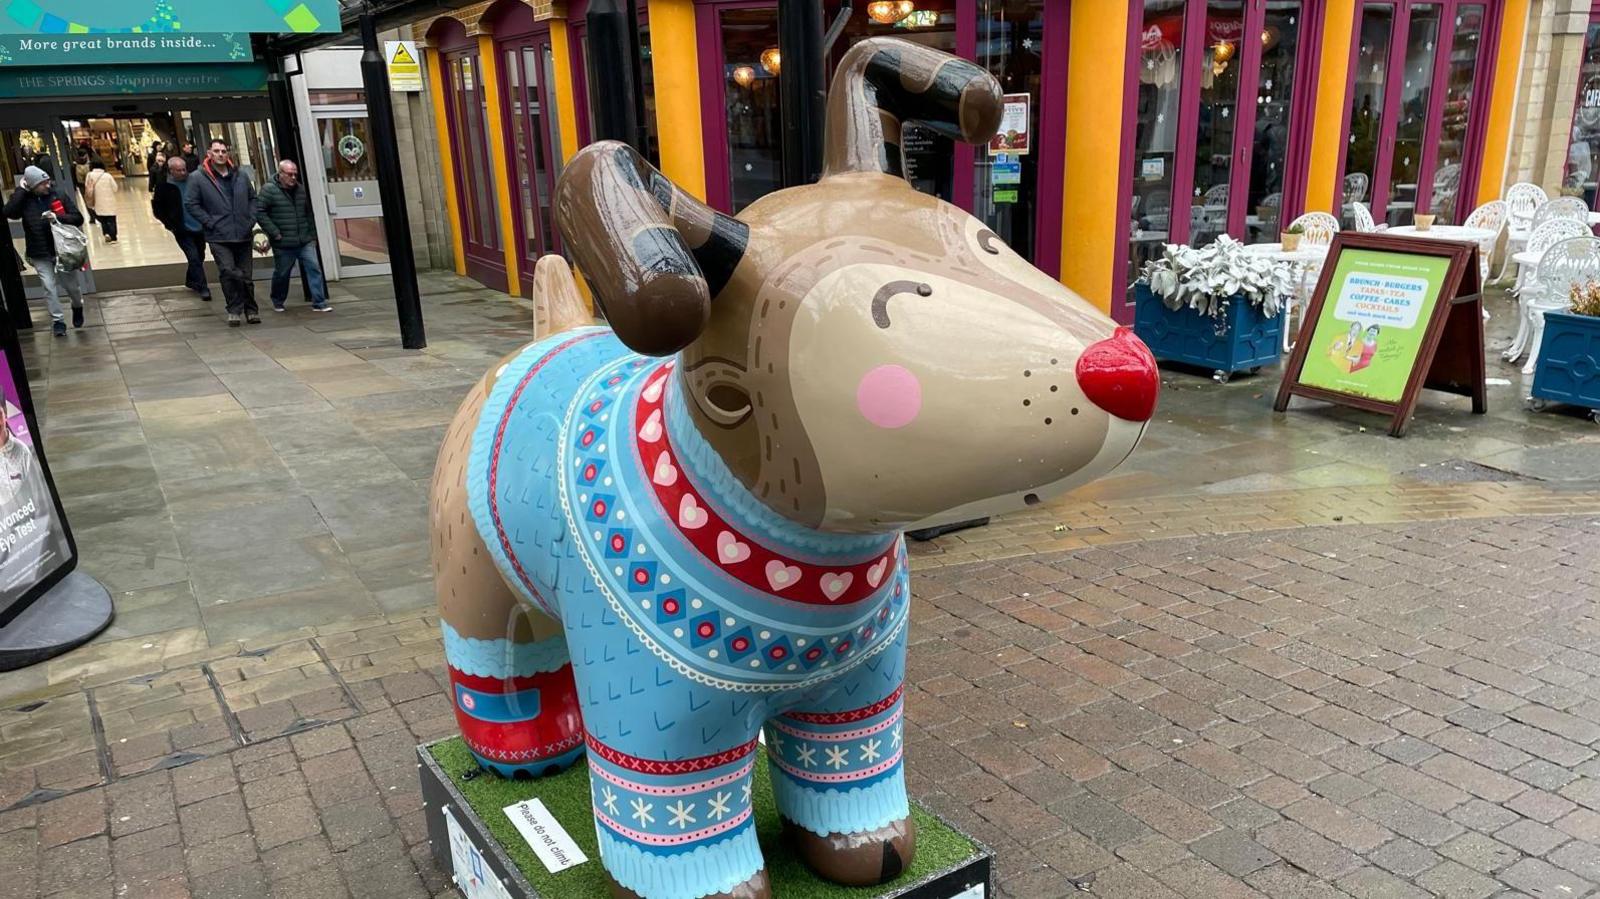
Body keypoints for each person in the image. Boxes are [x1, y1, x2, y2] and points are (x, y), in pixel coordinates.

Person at [3, 166, 86, 336]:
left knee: (72, 288)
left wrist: (57, 217)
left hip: (63, 250)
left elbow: (78, 218)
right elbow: (9, 212)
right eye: (42, 183)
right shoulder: (23, 199)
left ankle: (77, 306)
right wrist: (21, 190)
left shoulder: (58, 194)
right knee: (49, 287)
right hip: (39, 251)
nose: (47, 185)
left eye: (47, 181)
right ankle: (58, 321)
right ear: (32, 186)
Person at [185, 138, 258, 326]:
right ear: (209, 153)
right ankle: (234, 309)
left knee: (246, 275)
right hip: (218, 235)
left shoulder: (240, 175)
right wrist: (209, 222)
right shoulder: (198, 178)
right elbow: (191, 203)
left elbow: (253, 199)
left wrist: (250, 219)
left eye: (224, 151)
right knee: (228, 271)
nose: (220, 154)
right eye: (216, 151)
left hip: (242, 232)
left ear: (228, 153)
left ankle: (251, 309)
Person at [255, 160, 331, 313]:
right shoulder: (269, 190)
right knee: (282, 273)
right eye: (290, 174)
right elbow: (259, 212)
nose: (293, 177)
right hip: (283, 241)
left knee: (314, 268)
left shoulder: (300, 189)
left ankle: (319, 302)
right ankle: (277, 300)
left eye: (295, 174)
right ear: (281, 174)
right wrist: (274, 232)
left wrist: (312, 235)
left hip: (304, 239)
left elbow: (308, 213)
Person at [152, 156, 210, 301]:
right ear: (171, 171)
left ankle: (191, 280)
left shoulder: (194, 181)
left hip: (199, 225)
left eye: (185, 169)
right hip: (181, 228)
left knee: (200, 255)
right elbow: (158, 208)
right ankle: (203, 287)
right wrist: (170, 224)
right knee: (194, 257)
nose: (183, 173)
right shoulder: (164, 186)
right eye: (179, 170)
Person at [83, 160, 119, 243]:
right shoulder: (107, 175)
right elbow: (115, 188)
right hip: (110, 201)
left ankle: (106, 233)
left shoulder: (89, 175)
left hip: (97, 201)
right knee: (111, 219)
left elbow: (86, 186)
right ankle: (113, 237)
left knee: (103, 219)